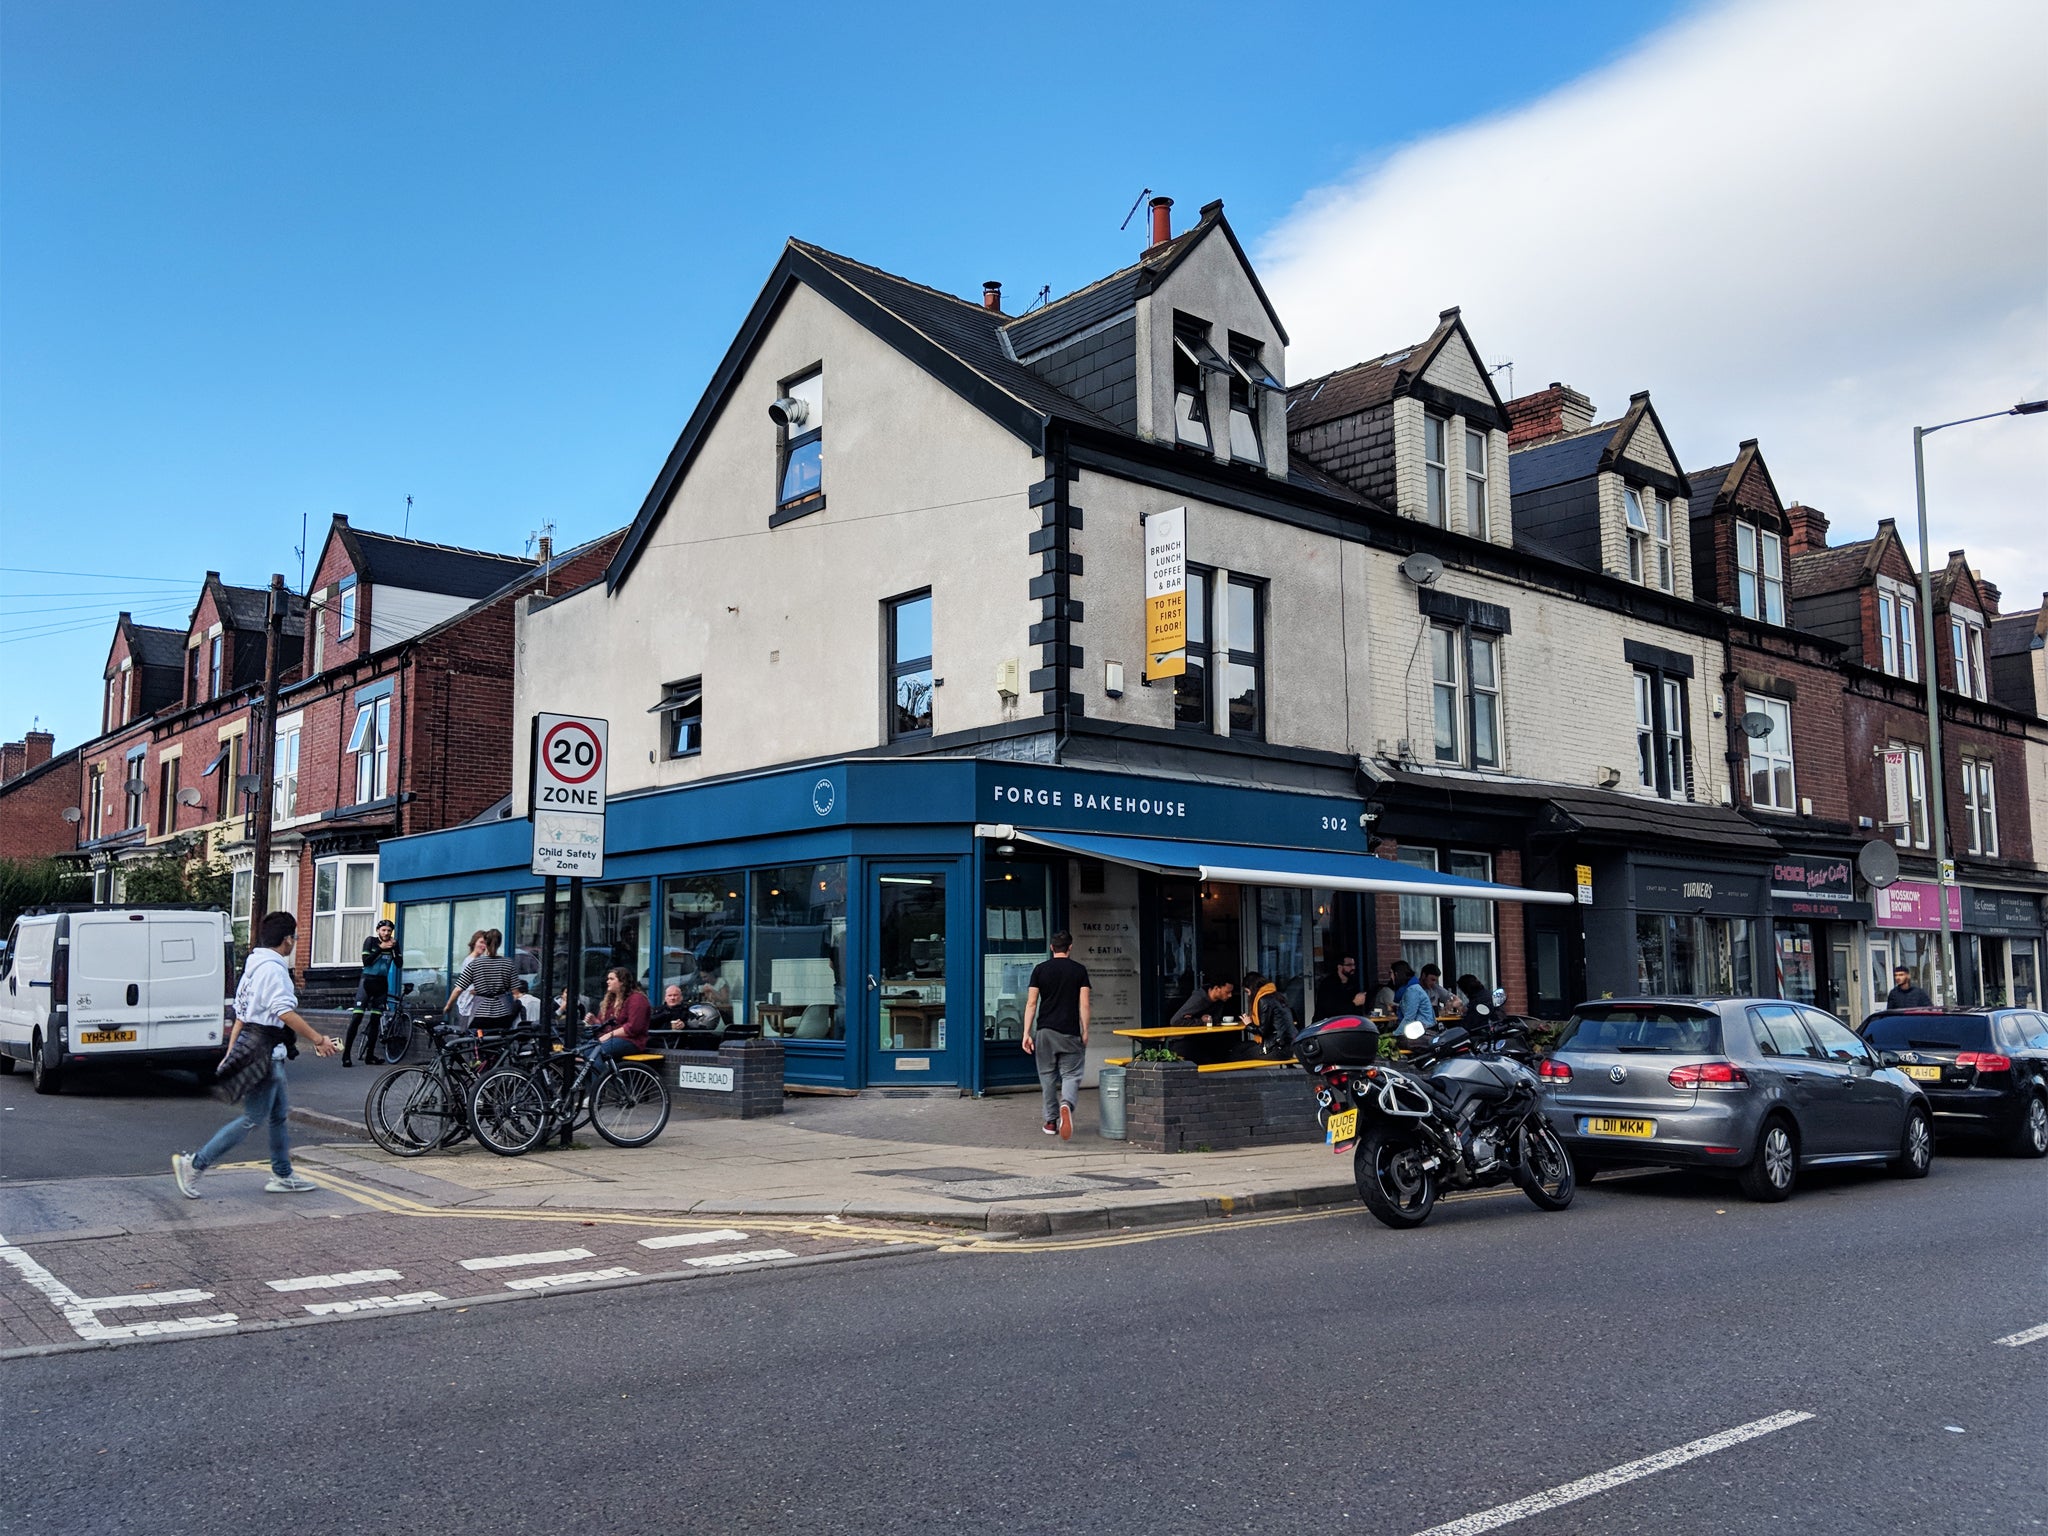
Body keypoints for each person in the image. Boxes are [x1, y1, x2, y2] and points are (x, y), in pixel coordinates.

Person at [173, 911, 339, 1198]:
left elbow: (241, 1015)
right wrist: (319, 1038)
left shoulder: (253, 967)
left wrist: (231, 1050)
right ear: (287, 940)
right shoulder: (274, 970)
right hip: (265, 1053)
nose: (294, 943)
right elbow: (283, 1011)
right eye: (295, 938)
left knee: (277, 1116)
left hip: (256, 1046)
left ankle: (283, 1174)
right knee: (252, 1118)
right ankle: (195, 1164)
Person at [1021, 930, 1091, 1139]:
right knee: (1071, 1074)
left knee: (1047, 1077)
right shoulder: (1079, 971)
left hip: (1045, 1031)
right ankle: (1066, 1104)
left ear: (1052, 947)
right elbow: (1084, 1004)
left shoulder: (1040, 970)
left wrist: (1026, 1032)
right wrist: (1085, 1030)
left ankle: (1051, 1122)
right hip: (1070, 1032)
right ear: (1070, 947)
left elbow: (1032, 1003)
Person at [341, 917, 400, 1068]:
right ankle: (346, 1055)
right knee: (357, 1018)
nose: (386, 933)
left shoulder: (394, 944)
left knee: (375, 1021)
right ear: (378, 931)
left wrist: (393, 949)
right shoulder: (371, 941)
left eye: (389, 931)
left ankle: (370, 1055)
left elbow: (399, 964)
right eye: (383, 930)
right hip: (367, 982)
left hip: (382, 984)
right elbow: (366, 961)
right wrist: (381, 948)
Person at [447, 929, 519, 1035]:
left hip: (480, 1012)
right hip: (503, 1012)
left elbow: (459, 988)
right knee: (500, 1041)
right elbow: (516, 992)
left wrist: (448, 1005)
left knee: (476, 1042)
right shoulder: (507, 963)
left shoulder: (476, 963)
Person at [579, 966, 650, 1072]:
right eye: (608, 979)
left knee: (597, 1052)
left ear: (622, 982)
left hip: (631, 1041)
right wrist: (595, 1021)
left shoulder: (637, 999)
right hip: (610, 1039)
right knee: (585, 1051)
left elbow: (633, 1027)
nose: (608, 981)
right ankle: (592, 1086)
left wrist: (609, 1035)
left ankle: (601, 1085)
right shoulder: (611, 1000)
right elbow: (605, 1024)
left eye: (612, 979)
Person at [1243, 970, 1298, 1058]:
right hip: (1288, 1045)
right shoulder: (1276, 996)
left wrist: (1248, 1024)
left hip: (1277, 1048)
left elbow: (1263, 1032)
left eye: (1248, 991)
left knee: (1238, 1053)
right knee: (1241, 1047)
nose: (1249, 995)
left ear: (1253, 989)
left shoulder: (1264, 1000)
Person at [1315, 955, 1369, 1020]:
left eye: (1354, 965)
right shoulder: (1328, 984)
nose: (1353, 967)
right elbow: (1331, 1009)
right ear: (1340, 967)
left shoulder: (1353, 983)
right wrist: (1354, 1003)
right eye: (1349, 965)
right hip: (1328, 1023)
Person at [1169, 978, 1236, 1030]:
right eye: (1227, 992)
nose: (1230, 995)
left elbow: (1216, 1020)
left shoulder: (1220, 1001)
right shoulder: (1198, 999)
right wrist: (1201, 1021)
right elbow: (1175, 1021)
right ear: (1216, 988)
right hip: (1185, 1039)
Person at [1389, 961, 1432, 1033]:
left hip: (1423, 1031)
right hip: (1418, 1029)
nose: (1391, 977)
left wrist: (1395, 1034)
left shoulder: (1412, 990)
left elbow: (1409, 1018)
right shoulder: (1409, 989)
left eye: (1391, 973)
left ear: (1396, 974)